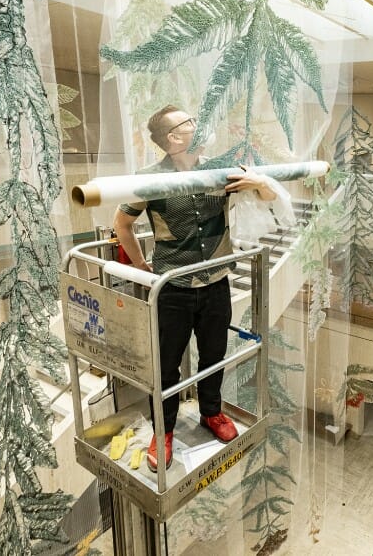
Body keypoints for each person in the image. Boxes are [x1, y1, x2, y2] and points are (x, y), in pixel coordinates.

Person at [113, 105, 277, 472]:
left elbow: (268, 198)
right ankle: (164, 431)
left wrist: (259, 184)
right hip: (173, 286)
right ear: (172, 138)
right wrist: (142, 266)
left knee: (214, 355)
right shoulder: (150, 178)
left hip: (217, 282)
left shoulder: (219, 170)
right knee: (167, 365)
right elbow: (121, 224)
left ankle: (211, 413)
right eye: (188, 123)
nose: (196, 126)